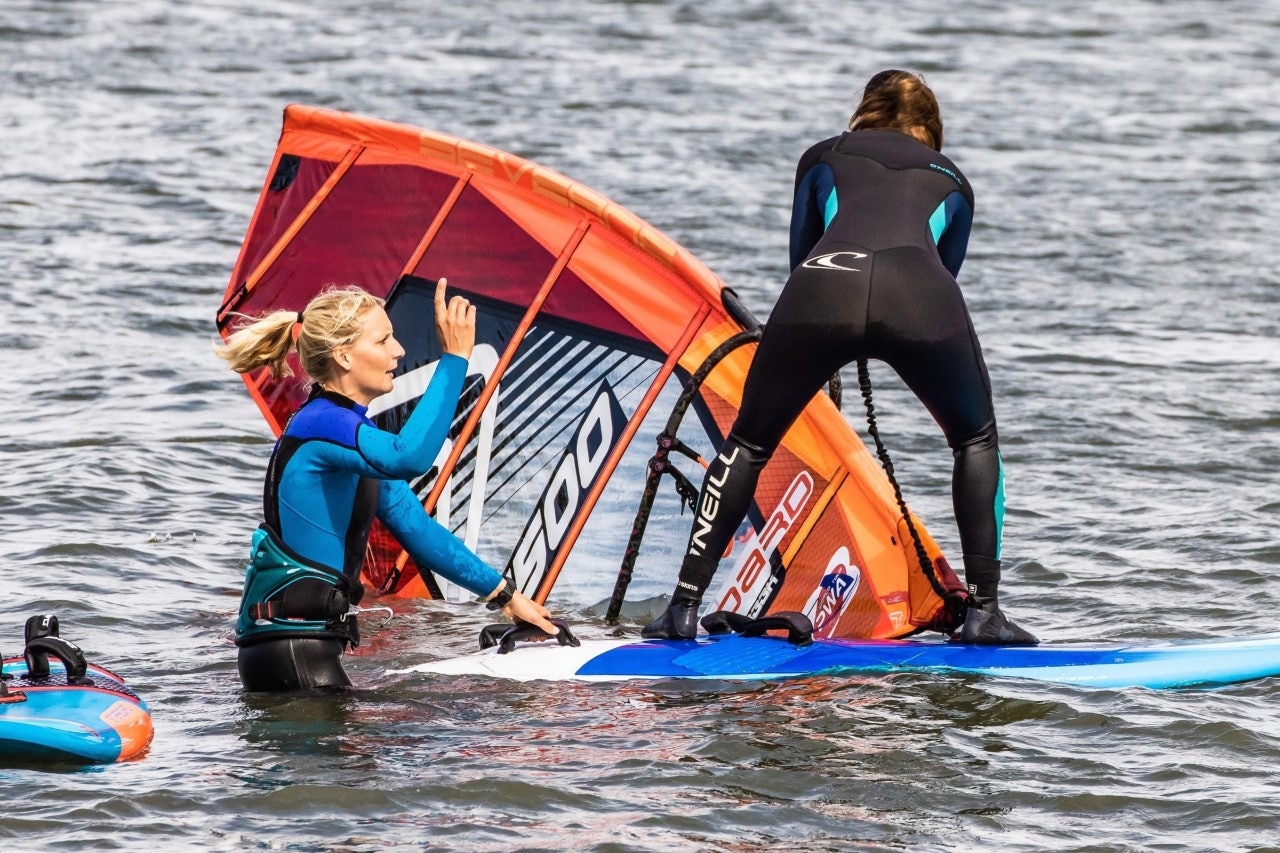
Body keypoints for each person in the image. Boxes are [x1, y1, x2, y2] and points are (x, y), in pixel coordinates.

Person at [643, 70, 1037, 646]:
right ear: (931, 128)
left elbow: (801, 254)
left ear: (865, 112)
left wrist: (835, 334)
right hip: (919, 296)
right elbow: (943, 271)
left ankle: (682, 607)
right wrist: (885, 325)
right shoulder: (954, 180)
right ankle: (985, 612)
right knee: (974, 440)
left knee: (749, 442)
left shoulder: (823, 156)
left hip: (824, 287)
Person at [217, 279, 560, 690]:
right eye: (382, 341)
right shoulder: (322, 423)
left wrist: (508, 598)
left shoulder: (349, 434)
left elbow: (416, 529)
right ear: (344, 355)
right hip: (294, 653)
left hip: (299, 650)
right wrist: (454, 359)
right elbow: (409, 457)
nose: (398, 350)